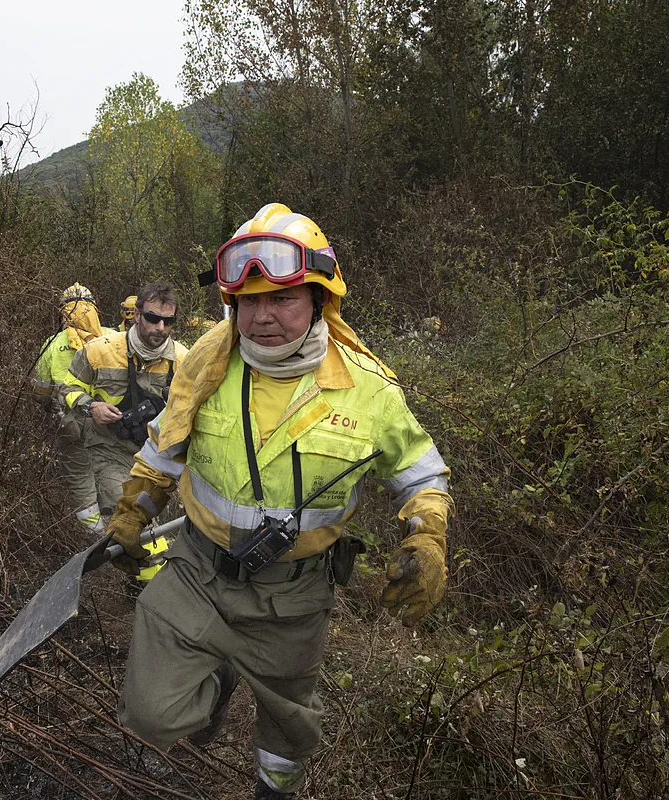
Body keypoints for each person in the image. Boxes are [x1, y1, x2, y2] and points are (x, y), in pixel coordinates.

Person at [104, 204, 453, 798]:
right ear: (231, 304)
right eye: (248, 302)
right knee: (151, 715)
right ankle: (216, 674)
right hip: (196, 570)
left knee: (288, 734)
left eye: (282, 298)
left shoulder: (369, 390)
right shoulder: (206, 371)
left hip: (294, 595)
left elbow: (421, 474)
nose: (262, 317)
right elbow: (163, 451)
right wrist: (134, 507)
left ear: (319, 299)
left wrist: (427, 535)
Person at [61, 282, 189, 530]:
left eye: (168, 321)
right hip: (111, 451)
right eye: (153, 319)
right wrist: (91, 408)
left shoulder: (184, 360)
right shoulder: (100, 351)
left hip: (158, 456)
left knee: (165, 523)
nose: (161, 328)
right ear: (138, 315)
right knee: (129, 514)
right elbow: (67, 388)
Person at [31, 283, 106, 531]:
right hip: (105, 419)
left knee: (81, 479)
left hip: (69, 421)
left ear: (63, 313)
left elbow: (41, 391)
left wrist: (47, 406)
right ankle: (121, 529)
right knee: (111, 471)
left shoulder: (52, 344)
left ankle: (95, 537)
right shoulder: (110, 337)